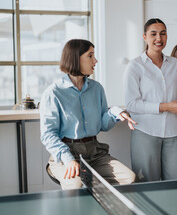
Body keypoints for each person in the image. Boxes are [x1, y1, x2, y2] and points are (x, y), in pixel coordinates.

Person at [40, 39, 136, 190]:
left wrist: (116, 113)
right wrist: (68, 159)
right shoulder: (54, 92)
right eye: (90, 56)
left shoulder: (97, 89)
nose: (95, 60)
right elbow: (48, 135)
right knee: (76, 186)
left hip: (95, 153)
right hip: (66, 153)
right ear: (75, 59)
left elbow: (103, 125)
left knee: (129, 178)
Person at [123, 18, 177, 182]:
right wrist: (166, 106)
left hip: (173, 132)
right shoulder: (135, 66)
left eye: (163, 34)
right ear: (144, 37)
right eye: (153, 34)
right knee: (147, 186)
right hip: (145, 133)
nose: (159, 39)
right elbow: (131, 104)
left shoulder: (174, 64)